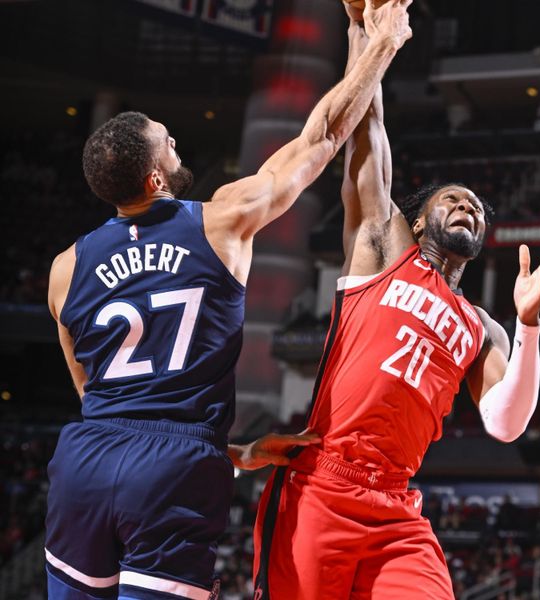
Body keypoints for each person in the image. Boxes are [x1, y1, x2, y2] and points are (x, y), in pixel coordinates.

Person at [44, 2, 413, 598]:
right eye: (167, 143)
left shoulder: (65, 269)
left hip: (84, 459)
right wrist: (382, 43)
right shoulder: (223, 220)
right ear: (156, 179)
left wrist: (234, 451)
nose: (175, 142)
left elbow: (95, 391)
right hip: (174, 467)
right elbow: (320, 137)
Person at [245, 4, 540, 598]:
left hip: (397, 504)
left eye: (475, 206)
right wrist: (362, 32)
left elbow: (504, 423)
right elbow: (365, 135)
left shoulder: (481, 326)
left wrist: (528, 326)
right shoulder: (384, 248)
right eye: (453, 198)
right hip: (324, 481)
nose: (468, 205)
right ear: (418, 221)